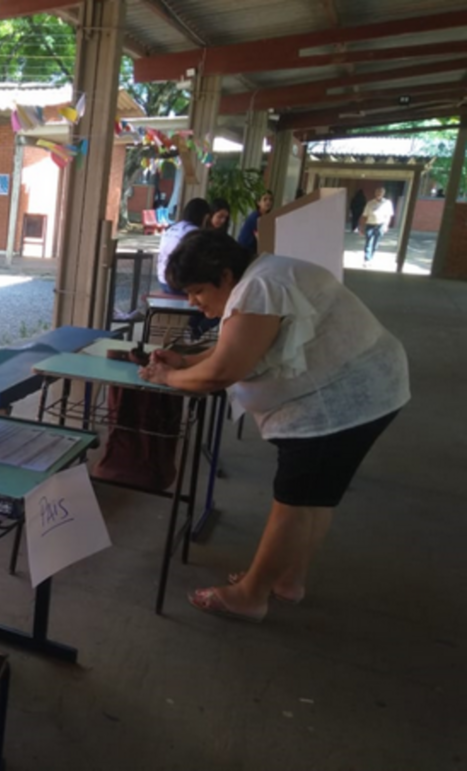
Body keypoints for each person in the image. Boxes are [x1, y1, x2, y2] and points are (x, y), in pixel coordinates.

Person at [139, 230, 410, 623]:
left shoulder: (259, 287)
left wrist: (167, 378)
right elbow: (239, 344)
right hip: (368, 391)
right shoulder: (264, 277)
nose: (194, 303)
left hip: (338, 403)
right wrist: (184, 363)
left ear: (225, 276)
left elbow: (224, 371)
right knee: (316, 498)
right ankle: (287, 579)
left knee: (295, 502)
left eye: (198, 290)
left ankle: (250, 595)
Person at [156, 197, 212, 294]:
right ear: (205, 217)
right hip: (177, 285)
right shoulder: (194, 233)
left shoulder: (173, 228)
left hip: (163, 280)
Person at [358, 186, 394, 263]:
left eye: (381, 192)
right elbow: (365, 215)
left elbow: (388, 216)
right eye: (377, 192)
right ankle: (367, 259)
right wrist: (362, 227)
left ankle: (371, 257)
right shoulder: (370, 203)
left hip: (380, 225)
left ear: (383, 193)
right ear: (375, 193)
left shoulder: (387, 203)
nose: (379, 194)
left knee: (376, 243)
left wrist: (386, 226)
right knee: (368, 242)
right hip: (370, 224)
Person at [236, 190, 274, 254]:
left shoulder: (266, 217)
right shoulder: (255, 217)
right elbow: (260, 237)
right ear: (258, 202)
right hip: (244, 251)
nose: (268, 202)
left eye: (270, 199)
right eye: (265, 199)